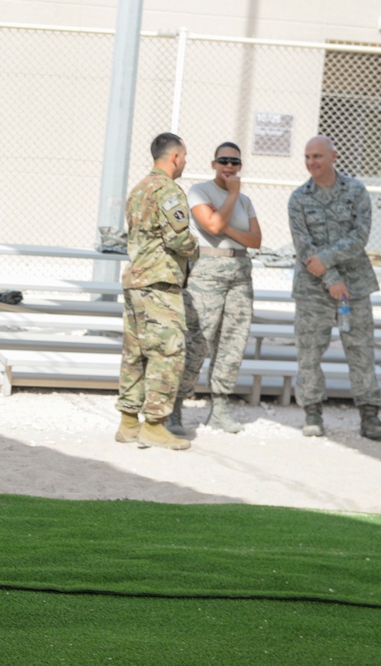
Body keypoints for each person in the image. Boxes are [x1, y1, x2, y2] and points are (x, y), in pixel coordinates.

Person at [287, 135, 381, 440]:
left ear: (334, 156)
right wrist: (331, 279)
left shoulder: (356, 191)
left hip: (354, 288)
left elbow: (360, 236)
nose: (311, 162)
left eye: (317, 156)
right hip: (312, 289)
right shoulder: (298, 198)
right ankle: (312, 412)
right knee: (309, 354)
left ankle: (369, 415)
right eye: (307, 157)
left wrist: (327, 261)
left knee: (360, 353)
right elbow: (304, 246)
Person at [169, 142, 262, 435]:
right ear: (213, 164)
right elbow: (210, 225)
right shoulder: (200, 191)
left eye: (235, 162)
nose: (229, 167)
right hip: (207, 273)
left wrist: (228, 227)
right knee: (198, 340)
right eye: (223, 161)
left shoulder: (245, 201)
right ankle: (176, 408)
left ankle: (219, 408)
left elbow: (256, 240)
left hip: (239, 273)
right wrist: (231, 197)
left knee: (233, 342)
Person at [115, 132, 199, 450]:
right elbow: (178, 238)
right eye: (185, 156)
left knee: (134, 353)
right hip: (158, 285)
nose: (185, 162)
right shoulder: (168, 190)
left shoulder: (138, 189)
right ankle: (154, 424)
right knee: (168, 353)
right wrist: (196, 249)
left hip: (136, 283)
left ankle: (127, 423)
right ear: (175, 156)